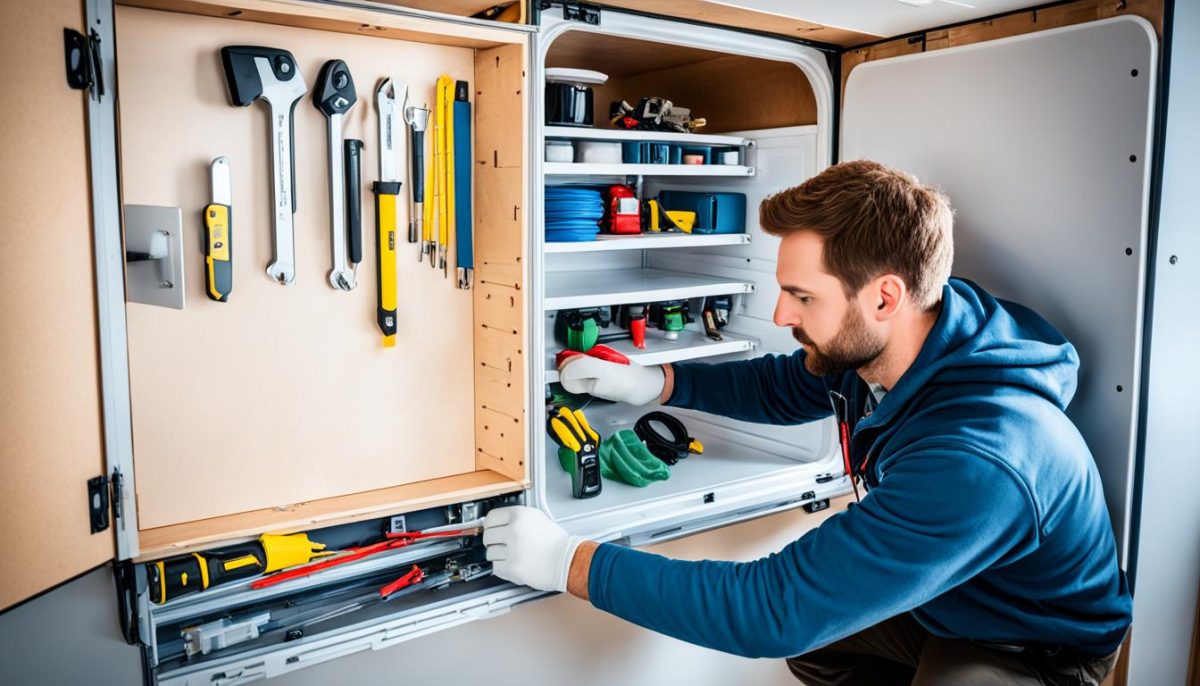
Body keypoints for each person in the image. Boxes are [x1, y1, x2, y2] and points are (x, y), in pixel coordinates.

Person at [482, 160, 1132, 685]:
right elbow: (785, 385)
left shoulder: (980, 460)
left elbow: (772, 609)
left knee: (805, 627)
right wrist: (658, 382)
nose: (780, 313)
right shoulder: (905, 342)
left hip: (1031, 644)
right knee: (822, 650)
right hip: (950, 595)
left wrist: (569, 562)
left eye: (803, 296)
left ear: (884, 296)